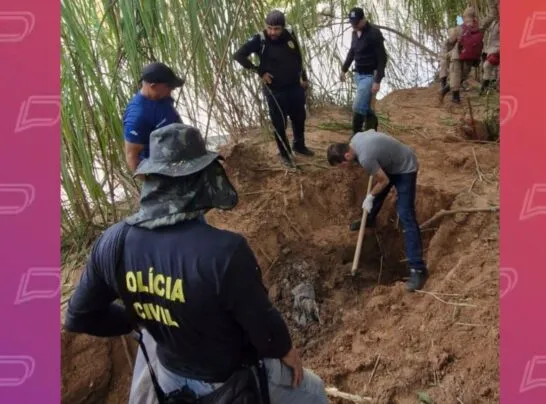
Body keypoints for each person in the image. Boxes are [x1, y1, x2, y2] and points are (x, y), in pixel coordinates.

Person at [64, 123, 328, 404]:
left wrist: (141, 317)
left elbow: (79, 316)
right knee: (314, 391)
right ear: (199, 179)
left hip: (169, 375)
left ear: (151, 180)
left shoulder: (112, 242)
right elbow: (263, 327)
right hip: (230, 380)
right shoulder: (225, 251)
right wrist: (287, 350)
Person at [326, 130, 428, 292]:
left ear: (346, 156)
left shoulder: (366, 158)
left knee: (405, 215)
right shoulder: (355, 139)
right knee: (377, 196)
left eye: (342, 165)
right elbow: (372, 131)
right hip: (391, 164)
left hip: (405, 168)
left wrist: (370, 196)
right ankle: (369, 219)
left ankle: (418, 270)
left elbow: (384, 180)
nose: (344, 169)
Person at [233, 9, 314, 168]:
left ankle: (299, 145)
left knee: (299, 117)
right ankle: (285, 154)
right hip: (275, 90)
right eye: (269, 28)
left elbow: (298, 57)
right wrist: (259, 71)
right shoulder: (260, 39)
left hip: (294, 86)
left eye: (276, 28)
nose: (272, 32)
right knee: (279, 123)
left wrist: (303, 78)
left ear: (283, 27)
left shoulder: (290, 34)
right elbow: (238, 55)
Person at [123, 62, 185, 174]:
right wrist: (150, 185)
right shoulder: (138, 116)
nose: (171, 90)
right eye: (169, 87)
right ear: (153, 86)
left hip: (181, 161)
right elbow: (131, 155)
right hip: (162, 171)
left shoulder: (161, 96)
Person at [339, 7, 388, 135]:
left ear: (363, 20)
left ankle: (356, 135)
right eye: (352, 23)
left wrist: (377, 81)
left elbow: (382, 59)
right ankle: (371, 132)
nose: (353, 26)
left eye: (356, 23)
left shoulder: (374, 34)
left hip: (370, 76)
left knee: (358, 107)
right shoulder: (355, 33)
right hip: (358, 75)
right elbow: (352, 51)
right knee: (367, 107)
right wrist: (344, 69)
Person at [438, 7, 483, 104]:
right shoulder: (479, 27)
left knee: (455, 75)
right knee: (463, 76)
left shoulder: (460, 27)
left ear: (464, 16)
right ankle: (448, 92)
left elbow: (451, 40)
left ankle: (454, 97)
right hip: (470, 57)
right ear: (474, 16)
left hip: (457, 54)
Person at [480, 1, 500, 94]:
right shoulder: (494, 22)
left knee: (489, 67)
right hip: (491, 50)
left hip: (497, 51)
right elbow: (488, 34)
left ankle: (486, 89)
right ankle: (485, 89)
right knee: (486, 66)